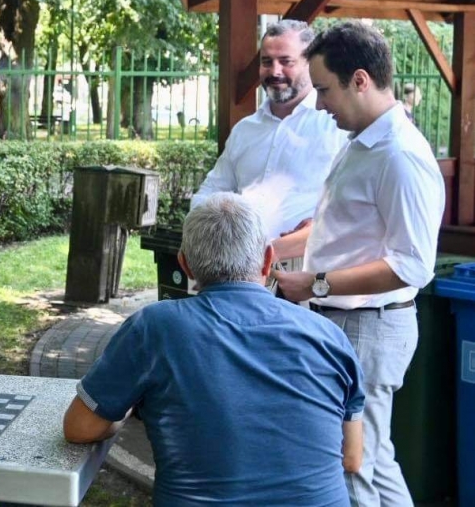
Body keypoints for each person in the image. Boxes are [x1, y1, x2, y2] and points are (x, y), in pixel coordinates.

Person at [64, 193, 365, 506]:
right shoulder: (331, 337)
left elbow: (80, 427)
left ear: (185, 264)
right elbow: (353, 457)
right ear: (267, 259)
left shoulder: (154, 328)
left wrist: (120, 414)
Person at [273, 21, 445, 507]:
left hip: (366, 327)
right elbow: (339, 228)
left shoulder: (399, 155)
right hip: (350, 324)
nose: (319, 104)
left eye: (325, 89)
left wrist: (315, 285)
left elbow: (412, 265)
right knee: (375, 459)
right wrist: (273, 247)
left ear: (361, 80)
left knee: (352, 467)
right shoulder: (361, 141)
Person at [191, 19, 347, 240]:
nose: (275, 71)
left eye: (286, 61)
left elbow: (355, 208)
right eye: (267, 62)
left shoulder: (335, 126)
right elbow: (211, 191)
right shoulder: (245, 130)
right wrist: (201, 227)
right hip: (241, 257)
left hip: (306, 257)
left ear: (310, 64)